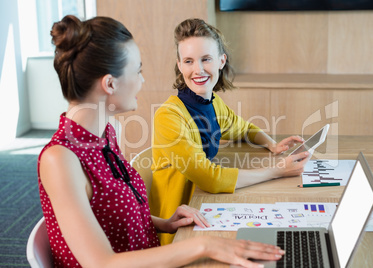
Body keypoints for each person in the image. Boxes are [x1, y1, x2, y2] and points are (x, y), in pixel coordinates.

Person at [38, 15, 285, 268]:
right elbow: (102, 263)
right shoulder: (60, 159)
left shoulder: (106, 134)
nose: (142, 81)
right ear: (110, 84)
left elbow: (112, 214)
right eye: (138, 71)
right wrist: (204, 244)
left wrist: (165, 222)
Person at [151, 18, 311, 244]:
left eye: (206, 59)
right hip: (178, 229)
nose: (198, 69)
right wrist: (276, 171)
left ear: (221, 61)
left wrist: (271, 144)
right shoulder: (169, 116)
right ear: (180, 65)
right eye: (188, 61)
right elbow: (209, 178)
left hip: (204, 208)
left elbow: (244, 129)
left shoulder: (213, 103)